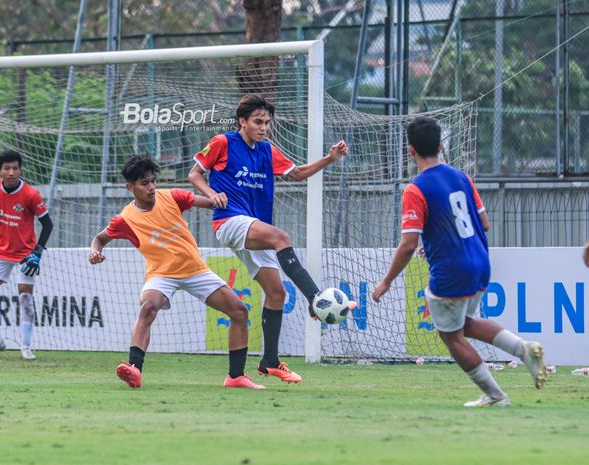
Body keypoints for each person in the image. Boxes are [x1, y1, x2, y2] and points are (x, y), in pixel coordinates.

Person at [372, 116, 547, 407]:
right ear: (440, 147)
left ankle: (495, 395)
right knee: (465, 324)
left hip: (451, 270)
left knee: (450, 336)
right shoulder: (462, 178)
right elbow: (484, 223)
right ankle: (524, 349)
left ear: (410, 150)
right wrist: (440, 238)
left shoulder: (415, 189)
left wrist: (386, 281)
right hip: (480, 263)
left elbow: (407, 245)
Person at [188, 93, 350, 384]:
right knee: (280, 237)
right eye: (258, 122)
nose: (264, 127)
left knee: (277, 294)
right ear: (242, 121)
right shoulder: (223, 143)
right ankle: (315, 299)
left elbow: (298, 173)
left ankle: (269, 362)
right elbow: (195, 174)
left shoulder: (267, 151)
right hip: (228, 221)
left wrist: (330, 158)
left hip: (254, 227)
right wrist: (212, 195)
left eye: (267, 123)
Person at [89, 155, 264, 390]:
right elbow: (99, 239)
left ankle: (236, 377)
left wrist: (218, 196)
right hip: (161, 275)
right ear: (130, 187)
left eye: (153, 181)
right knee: (148, 307)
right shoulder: (125, 220)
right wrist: (94, 252)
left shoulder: (172, 196)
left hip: (195, 270)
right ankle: (134, 369)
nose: (151, 187)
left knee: (240, 311)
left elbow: (213, 203)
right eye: (144, 183)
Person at [0, 149, 53, 360]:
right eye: (6, 168)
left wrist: (37, 253)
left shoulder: (30, 194)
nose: (11, 172)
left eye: (15, 168)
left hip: (26, 253)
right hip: (1, 251)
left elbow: (47, 224)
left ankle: (25, 346)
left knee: (25, 295)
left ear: (20, 169)